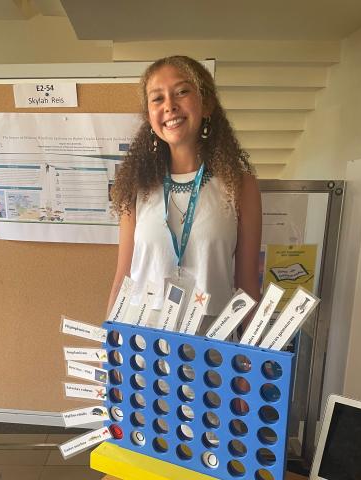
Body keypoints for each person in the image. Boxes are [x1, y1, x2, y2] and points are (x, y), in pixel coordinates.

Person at [107, 56, 261, 331]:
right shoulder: (135, 185)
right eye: (157, 98)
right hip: (140, 344)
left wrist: (252, 361)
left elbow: (247, 284)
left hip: (210, 342)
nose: (169, 106)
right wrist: (108, 348)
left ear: (207, 104)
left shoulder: (240, 185)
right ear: (148, 116)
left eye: (182, 92)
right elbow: (123, 277)